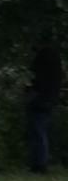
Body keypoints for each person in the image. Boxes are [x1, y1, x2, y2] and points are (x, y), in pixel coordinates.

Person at [27, 44, 61, 173]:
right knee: (40, 133)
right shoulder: (55, 62)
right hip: (49, 100)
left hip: (40, 100)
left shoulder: (42, 61)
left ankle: (39, 164)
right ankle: (39, 163)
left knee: (38, 133)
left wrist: (30, 96)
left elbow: (37, 83)